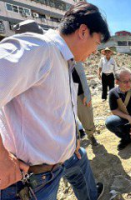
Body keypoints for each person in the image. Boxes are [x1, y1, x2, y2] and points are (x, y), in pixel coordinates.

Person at [0, 2, 110, 199]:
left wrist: (73, 138)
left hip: (59, 163)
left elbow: (55, 108)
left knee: (81, 159)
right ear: (83, 31)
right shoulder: (38, 49)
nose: (95, 51)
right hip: (31, 180)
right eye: (97, 43)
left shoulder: (63, 60)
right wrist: (1, 159)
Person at [73, 62, 99, 146]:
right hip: (63, 96)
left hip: (79, 93)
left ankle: (90, 135)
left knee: (87, 117)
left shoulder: (74, 57)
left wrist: (86, 94)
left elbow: (82, 75)